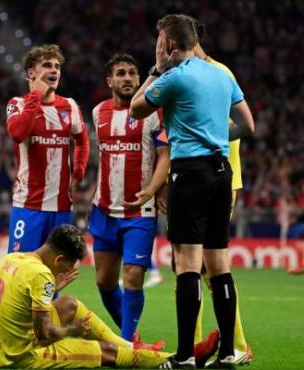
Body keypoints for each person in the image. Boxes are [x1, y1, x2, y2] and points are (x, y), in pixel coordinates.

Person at [130, 14, 255, 369]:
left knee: (187, 264)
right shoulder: (222, 73)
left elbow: (137, 109)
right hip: (221, 170)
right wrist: (215, 135)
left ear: (168, 44)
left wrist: (155, 69)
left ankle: (185, 355)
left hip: (190, 172)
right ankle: (230, 352)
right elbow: (248, 124)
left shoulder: (173, 77)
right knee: (219, 264)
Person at [0, 224, 174, 369]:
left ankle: (130, 346)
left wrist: (49, 291)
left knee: (69, 304)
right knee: (105, 351)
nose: (68, 270)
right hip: (22, 359)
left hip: (0, 349)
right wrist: (72, 331)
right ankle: (169, 359)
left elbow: (20, 305)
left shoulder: (11, 258)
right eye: (68, 265)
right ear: (58, 259)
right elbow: (44, 336)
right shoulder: (40, 274)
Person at [89, 54, 170, 342]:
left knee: (134, 276)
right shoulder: (99, 113)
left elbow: (164, 156)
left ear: (139, 79)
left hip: (140, 212)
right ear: (109, 81)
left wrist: (153, 188)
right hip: (104, 210)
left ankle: (125, 344)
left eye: (132, 73)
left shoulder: (153, 113)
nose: (127, 78)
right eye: (121, 73)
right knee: (103, 281)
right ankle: (132, 338)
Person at [187, 16, 253, 366]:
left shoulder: (218, 73)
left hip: (219, 178)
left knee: (206, 265)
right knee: (190, 266)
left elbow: (244, 124)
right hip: (190, 177)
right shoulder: (186, 74)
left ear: (193, 39)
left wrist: (208, 133)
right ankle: (200, 344)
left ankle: (234, 344)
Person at [6, 44, 90, 254]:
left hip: (61, 207)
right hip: (28, 205)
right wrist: (35, 97)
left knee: (54, 271)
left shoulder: (69, 106)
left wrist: (78, 173)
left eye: (57, 66)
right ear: (31, 73)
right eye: (47, 65)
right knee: (21, 268)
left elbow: (82, 141)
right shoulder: (17, 104)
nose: (54, 70)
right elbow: (17, 133)